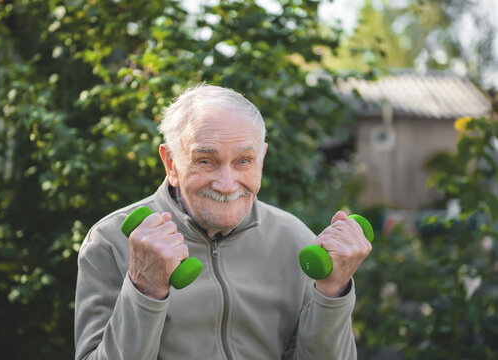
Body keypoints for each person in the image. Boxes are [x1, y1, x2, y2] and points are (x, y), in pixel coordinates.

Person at [74, 84, 372, 360]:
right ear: (171, 164)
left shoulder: (296, 240)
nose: (227, 184)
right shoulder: (110, 241)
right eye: (205, 161)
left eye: (244, 161)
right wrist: (145, 290)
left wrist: (332, 292)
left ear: (262, 160)